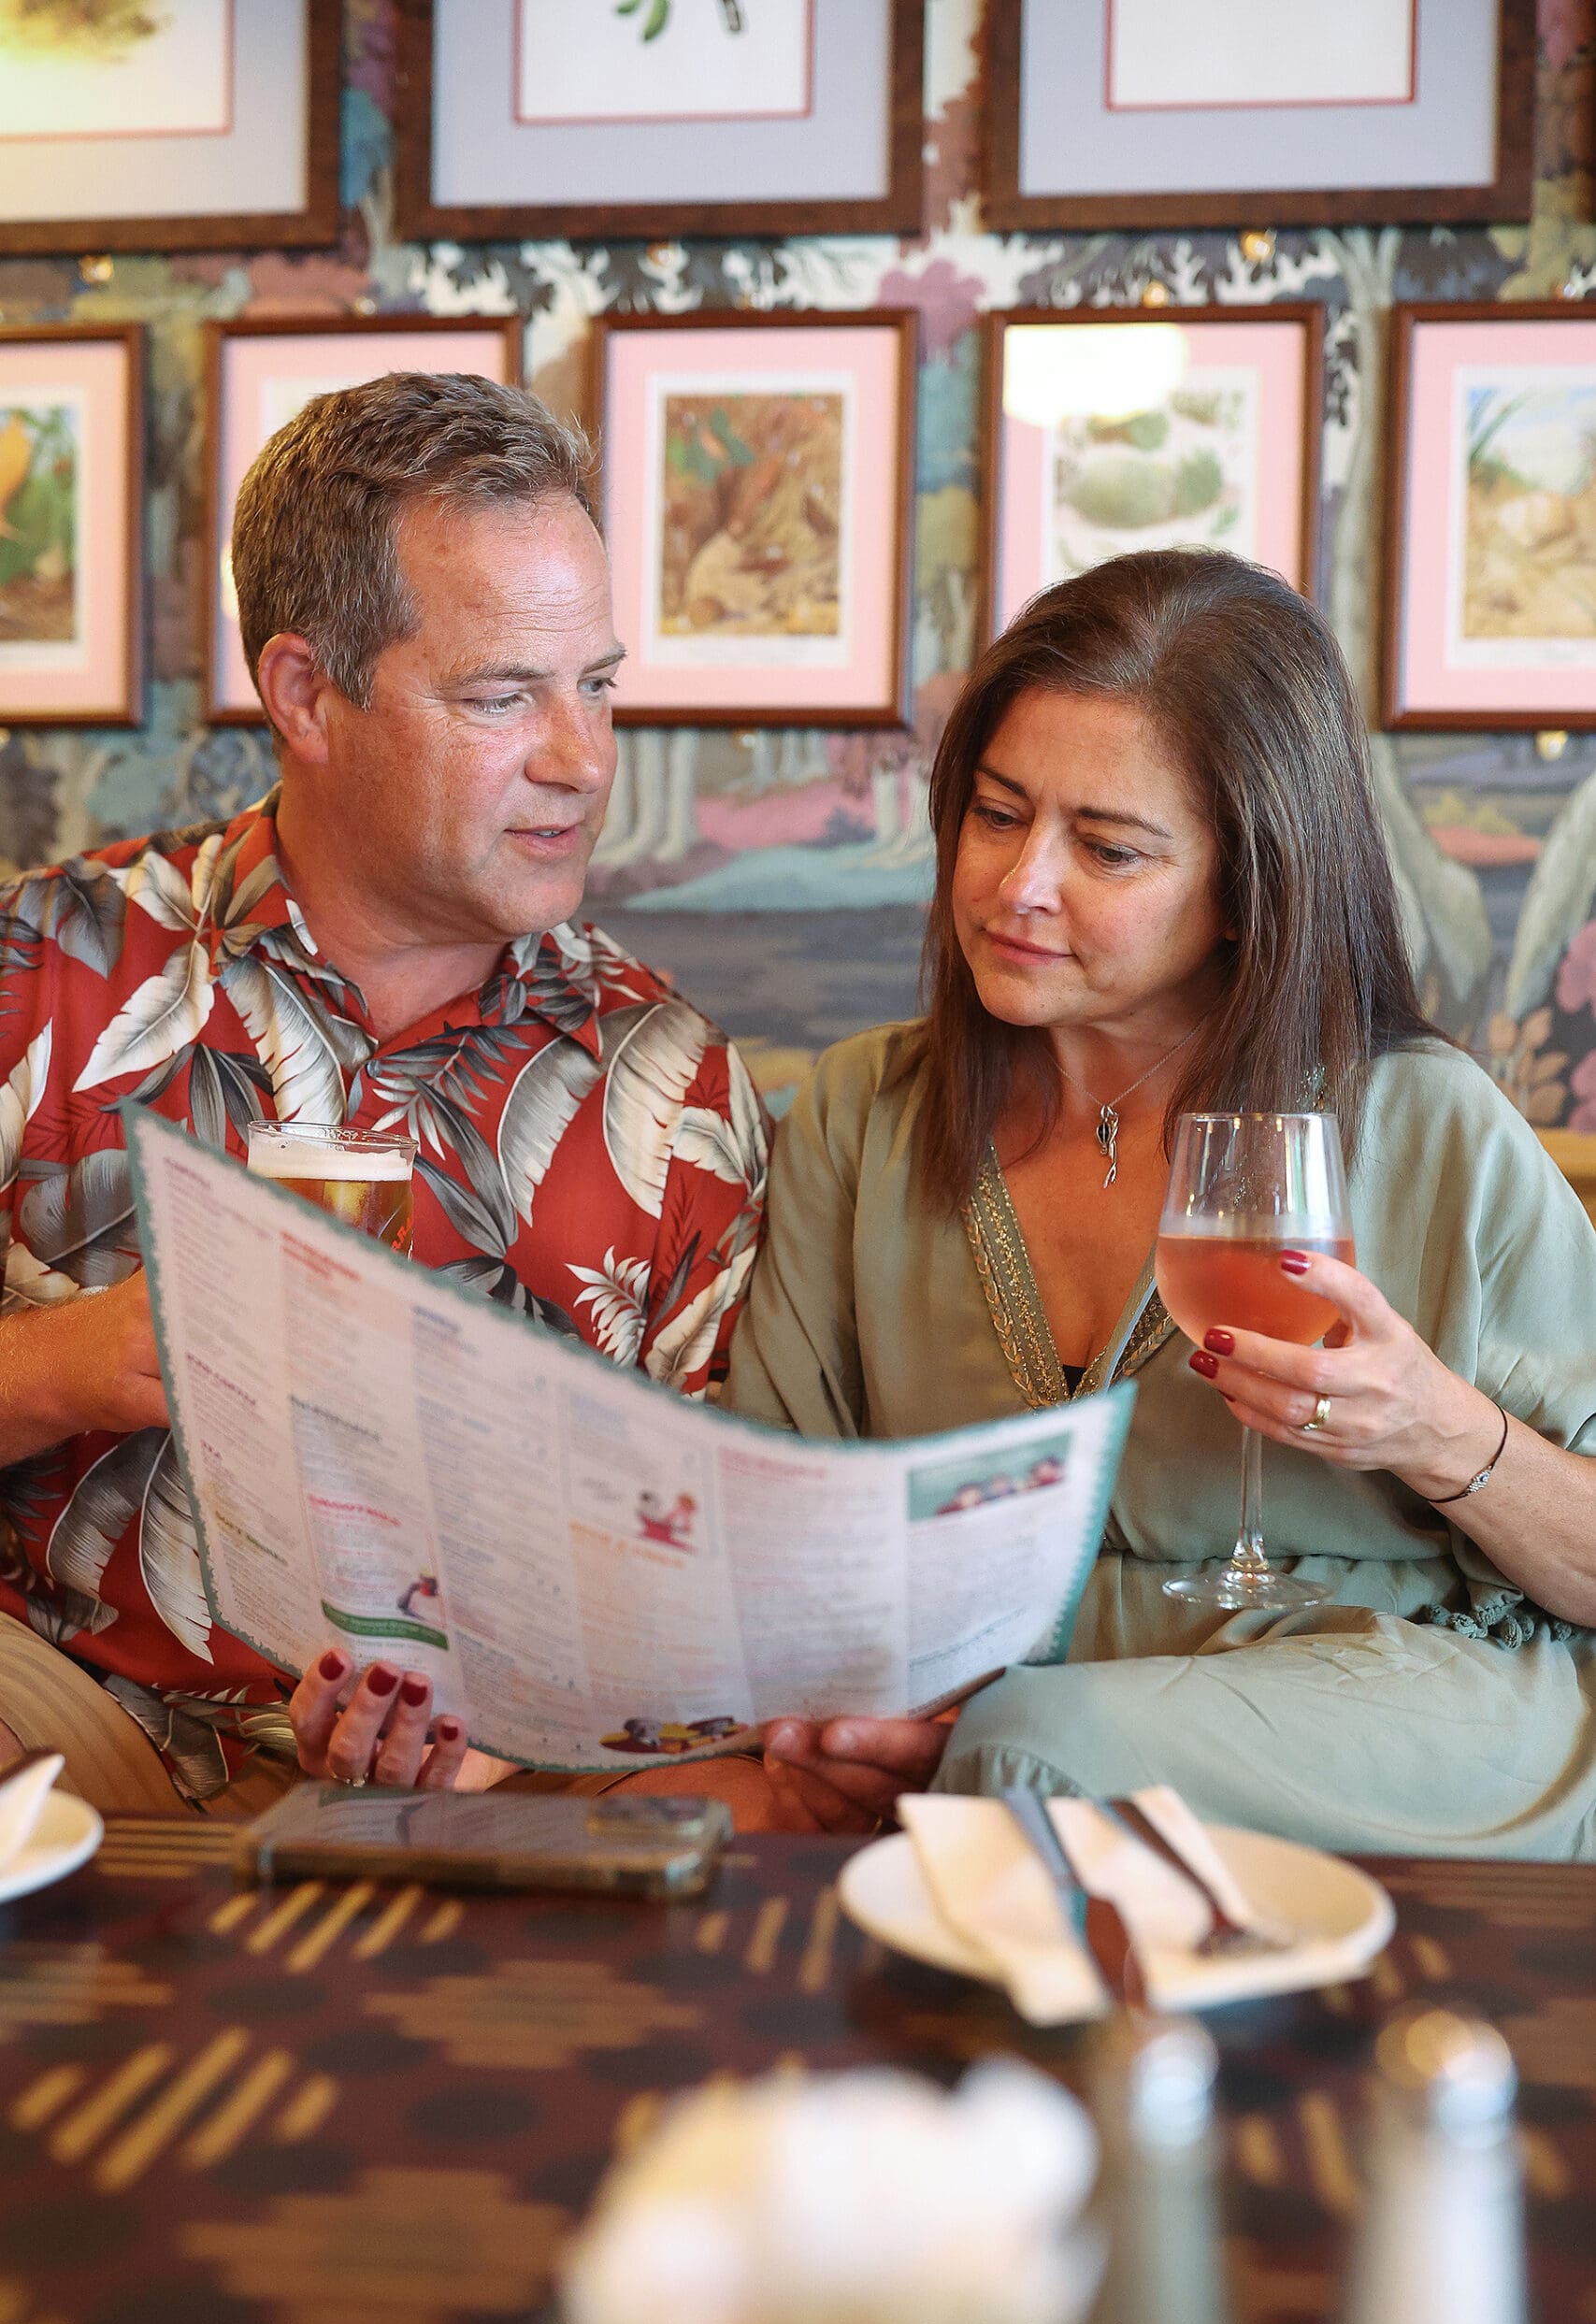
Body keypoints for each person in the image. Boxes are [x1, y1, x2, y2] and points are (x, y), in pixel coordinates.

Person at [721, 549, 1596, 1858]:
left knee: (1041, 1752)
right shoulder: (863, 1114)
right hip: (995, 1721)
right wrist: (875, 1714)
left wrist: (1439, 1429)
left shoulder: (1424, 1125)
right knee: (1013, 1750)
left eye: (1108, 850)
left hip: (1405, 1704)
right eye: (1000, 815)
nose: (1018, 885)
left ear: (1249, 890)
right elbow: (782, 1542)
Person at [0, 373, 767, 1813]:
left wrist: (508, 1736)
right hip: (70, 1736)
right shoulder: (44, 970)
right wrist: (66, 1363)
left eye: (597, 685)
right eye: (503, 697)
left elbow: (707, 1593)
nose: (582, 762)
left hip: (487, 1796)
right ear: (307, 695)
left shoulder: (674, 1089)